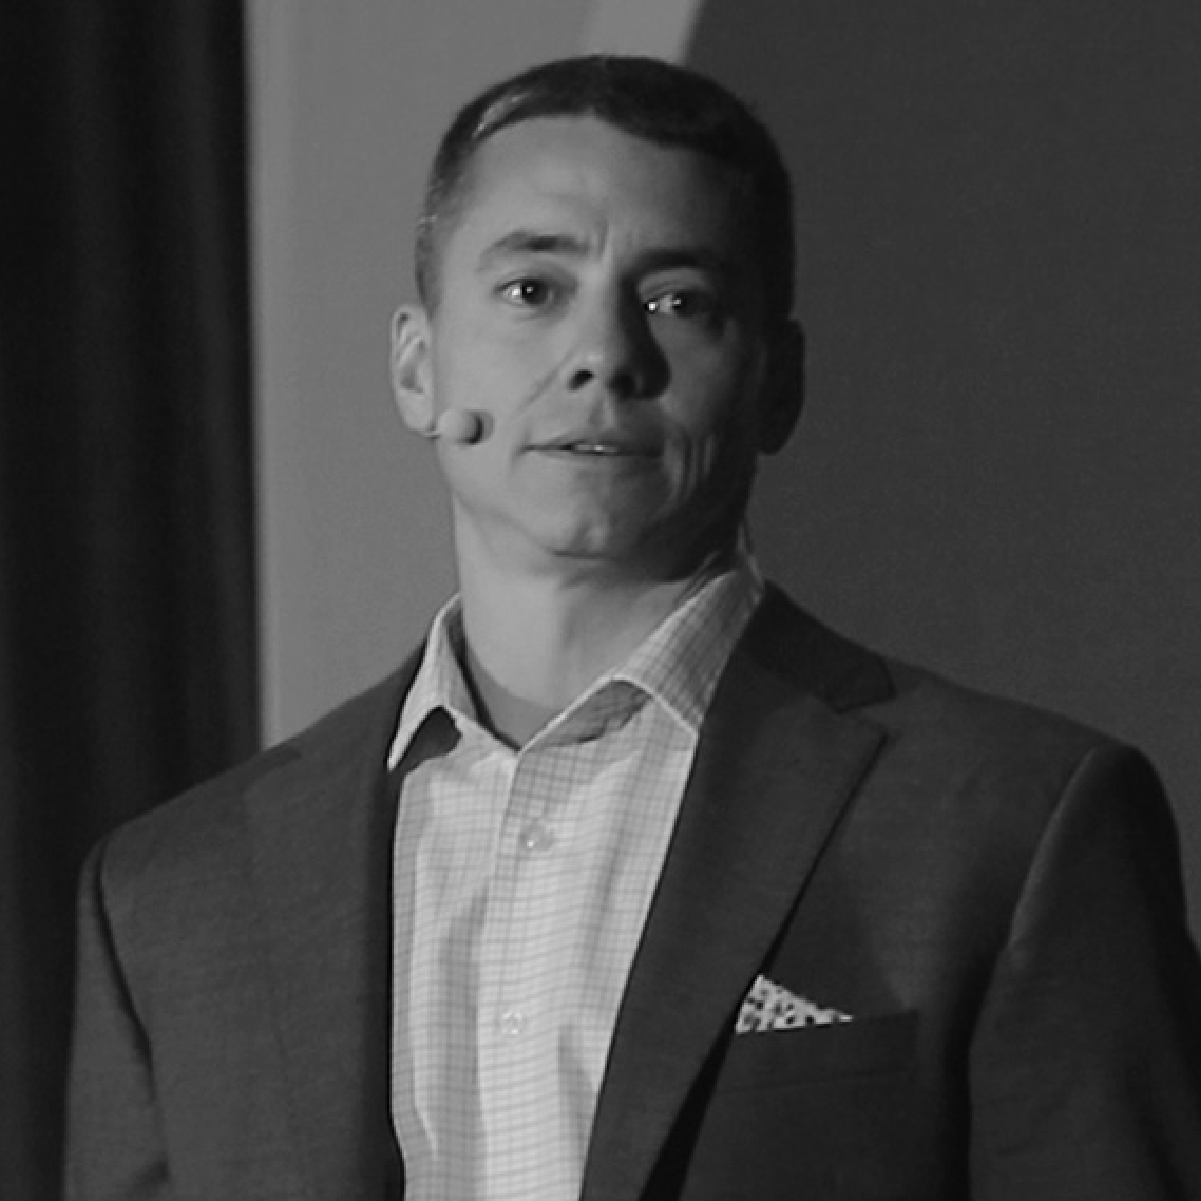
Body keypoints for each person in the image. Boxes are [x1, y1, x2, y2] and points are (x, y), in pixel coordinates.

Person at [65, 54, 1201, 1201]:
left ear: (776, 382)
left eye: (677, 302)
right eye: (532, 290)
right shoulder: (175, 895)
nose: (603, 354)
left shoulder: (1006, 825)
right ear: (416, 366)